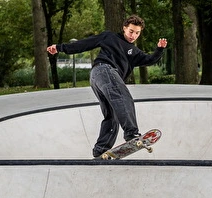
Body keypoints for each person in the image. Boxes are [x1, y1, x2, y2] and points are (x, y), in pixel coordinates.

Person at [46, 15, 168, 157]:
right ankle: (131, 133)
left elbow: (149, 59)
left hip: (99, 79)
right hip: (103, 70)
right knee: (123, 97)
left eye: (137, 33)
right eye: (131, 31)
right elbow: (85, 43)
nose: (133, 35)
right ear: (124, 28)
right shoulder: (109, 37)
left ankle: (100, 150)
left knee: (112, 115)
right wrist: (60, 47)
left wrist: (159, 49)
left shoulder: (134, 52)